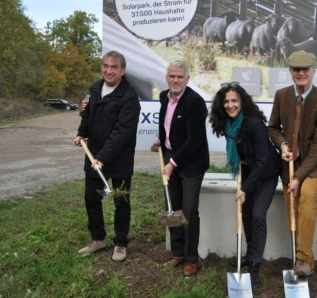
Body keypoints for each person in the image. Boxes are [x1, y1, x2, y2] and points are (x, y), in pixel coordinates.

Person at [267, 50, 317, 277]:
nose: (301, 73)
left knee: (306, 198)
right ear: (290, 72)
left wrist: (298, 178)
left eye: (305, 69)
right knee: (292, 211)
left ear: (314, 71)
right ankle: (306, 259)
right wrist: (283, 145)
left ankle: (302, 259)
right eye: (296, 69)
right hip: (290, 164)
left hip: (315, 164)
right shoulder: (282, 95)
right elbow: (273, 128)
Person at [209, 82, 281, 290]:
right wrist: (245, 179)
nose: (230, 105)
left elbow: (262, 160)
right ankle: (249, 254)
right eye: (226, 102)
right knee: (246, 213)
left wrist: (245, 188)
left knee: (258, 215)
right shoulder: (228, 124)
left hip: (266, 172)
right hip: (248, 169)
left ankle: (255, 269)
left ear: (242, 102)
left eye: (234, 101)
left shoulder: (254, 124)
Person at [74, 50, 141, 262]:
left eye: (114, 67)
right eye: (105, 66)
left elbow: (122, 132)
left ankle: (120, 243)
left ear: (122, 70)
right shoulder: (95, 88)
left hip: (117, 159)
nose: (108, 71)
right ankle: (98, 239)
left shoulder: (129, 96)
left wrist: (102, 157)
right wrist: (81, 133)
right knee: (91, 198)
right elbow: (88, 115)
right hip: (94, 157)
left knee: (121, 201)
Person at [151, 61, 209, 277]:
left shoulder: (196, 103)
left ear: (187, 79)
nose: (175, 80)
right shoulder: (164, 97)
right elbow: (168, 126)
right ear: (167, 78)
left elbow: (194, 140)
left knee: (189, 211)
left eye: (180, 77)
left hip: (191, 164)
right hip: (171, 158)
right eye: (172, 76)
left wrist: (172, 163)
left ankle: (192, 259)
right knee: (172, 206)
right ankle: (178, 253)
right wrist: (162, 141)